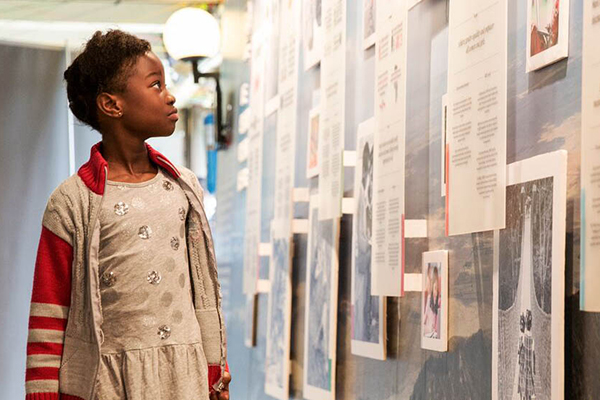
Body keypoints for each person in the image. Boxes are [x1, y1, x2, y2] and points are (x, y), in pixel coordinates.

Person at [24, 30, 231, 400]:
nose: (170, 96)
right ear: (112, 104)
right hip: (109, 382)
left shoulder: (184, 188)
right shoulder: (73, 201)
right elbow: (49, 312)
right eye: (155, 85)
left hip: (185, 376)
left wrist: (216, 369)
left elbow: (203, 290)